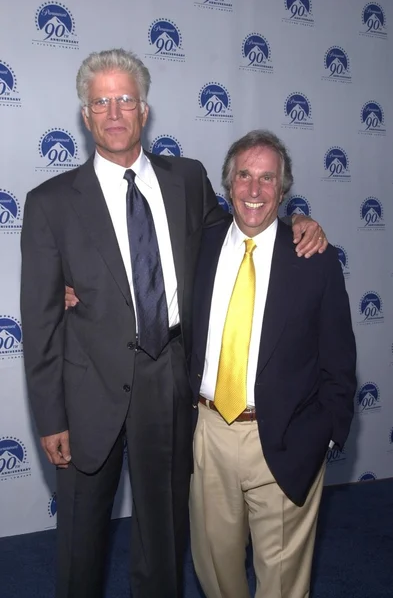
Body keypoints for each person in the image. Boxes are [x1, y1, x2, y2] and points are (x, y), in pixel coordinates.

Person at [20, 48, 327, 598]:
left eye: (126, 100)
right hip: (87, 389)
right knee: (80, 543)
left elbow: (241, 229)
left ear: (144, 110)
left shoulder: (187, 179)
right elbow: (39, 321)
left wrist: (297, 218)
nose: (114, 113)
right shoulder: (50, 204)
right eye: (101, 102)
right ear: (86, 115)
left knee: (163, 539)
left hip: (169, 381)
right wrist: (50, 416)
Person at [188, 130, 357, 598]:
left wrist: (321, 435)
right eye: (245, 175)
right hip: (209, 435)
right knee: (215, 571)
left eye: (268, 179)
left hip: (285, 437)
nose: (255, 190)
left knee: (281, 583)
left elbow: (339, 361)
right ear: (228, 184)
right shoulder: (198, 246)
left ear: (283, 191)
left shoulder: (314, 259)